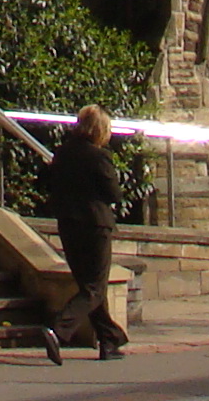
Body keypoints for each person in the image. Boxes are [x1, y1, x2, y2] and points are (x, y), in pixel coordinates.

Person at [39, 105, 129, 364]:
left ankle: (109, 338)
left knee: (88, 284)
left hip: (68, 224)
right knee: (95, 287)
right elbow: (113, 194)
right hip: (95, 225)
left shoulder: (62, 153)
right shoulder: (99, 156)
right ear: (100, 129)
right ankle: (59, 328)